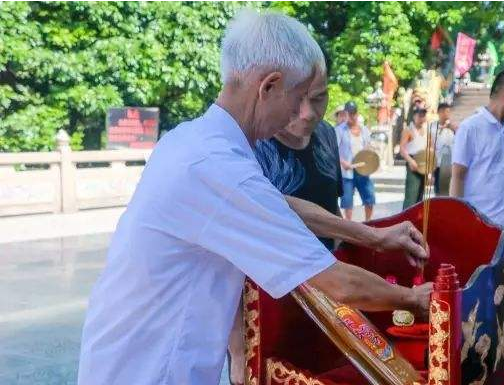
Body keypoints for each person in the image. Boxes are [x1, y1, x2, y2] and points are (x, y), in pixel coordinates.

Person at [77, 11, 433, 385]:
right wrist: (413, 299)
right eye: (297, 99)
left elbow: (278, 206)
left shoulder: (197, 140)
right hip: (147, 371)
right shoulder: (217, 167)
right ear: (269, 86)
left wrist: (374, 236)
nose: (302, 115)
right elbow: (337, 283)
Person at [229, 73, 430, 385]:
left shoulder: (325, 135)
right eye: (297, 100)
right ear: (274, 90)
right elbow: (230, 256)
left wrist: (371, 242)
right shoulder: (248, 143)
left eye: (319, 98)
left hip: (327, 298)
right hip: (265, 308)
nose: (308, 113)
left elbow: (322, 214)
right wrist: (239, 351)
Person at [450, 69, 504, 368]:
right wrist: (457, 219)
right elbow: (458, 176)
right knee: (478, 289)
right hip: (480, 226)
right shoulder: (471, 128)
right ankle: (472, 350)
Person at [336, 101, 376, 221]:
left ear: (357, 114)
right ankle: (349, 225)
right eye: (349, 113)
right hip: (347, 171)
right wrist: (343, 163)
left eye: (353, 113)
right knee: (347, 202)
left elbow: (369, 148)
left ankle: (368, 223)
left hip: (362, 169)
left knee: (369, 198)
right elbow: (334, 151)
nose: (351, 116)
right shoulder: (339, 130)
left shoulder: (364, 130)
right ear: (346, 114)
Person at [400, 106, 430, 208]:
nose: (421, 118)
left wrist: (430, 169)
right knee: (411, 196)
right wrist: (410, 161)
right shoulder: (408, 130)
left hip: (424, 162)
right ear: (414, 116)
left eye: (423, 115)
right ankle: (405, 220)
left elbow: (430, 148)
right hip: (412, 162)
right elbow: (402, 149)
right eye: (419, 115)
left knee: (420, 196)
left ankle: (416, 221)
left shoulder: (427, 130)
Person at [432, 103, 457, 195]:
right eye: (444, 111)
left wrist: (451, 127)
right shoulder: (432, 127)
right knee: (439, 192)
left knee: (450, 192)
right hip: (438, 164)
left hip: (451, 165)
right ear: (439, 112)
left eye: (448, 112)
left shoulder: (454, 127)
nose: (446, 114)